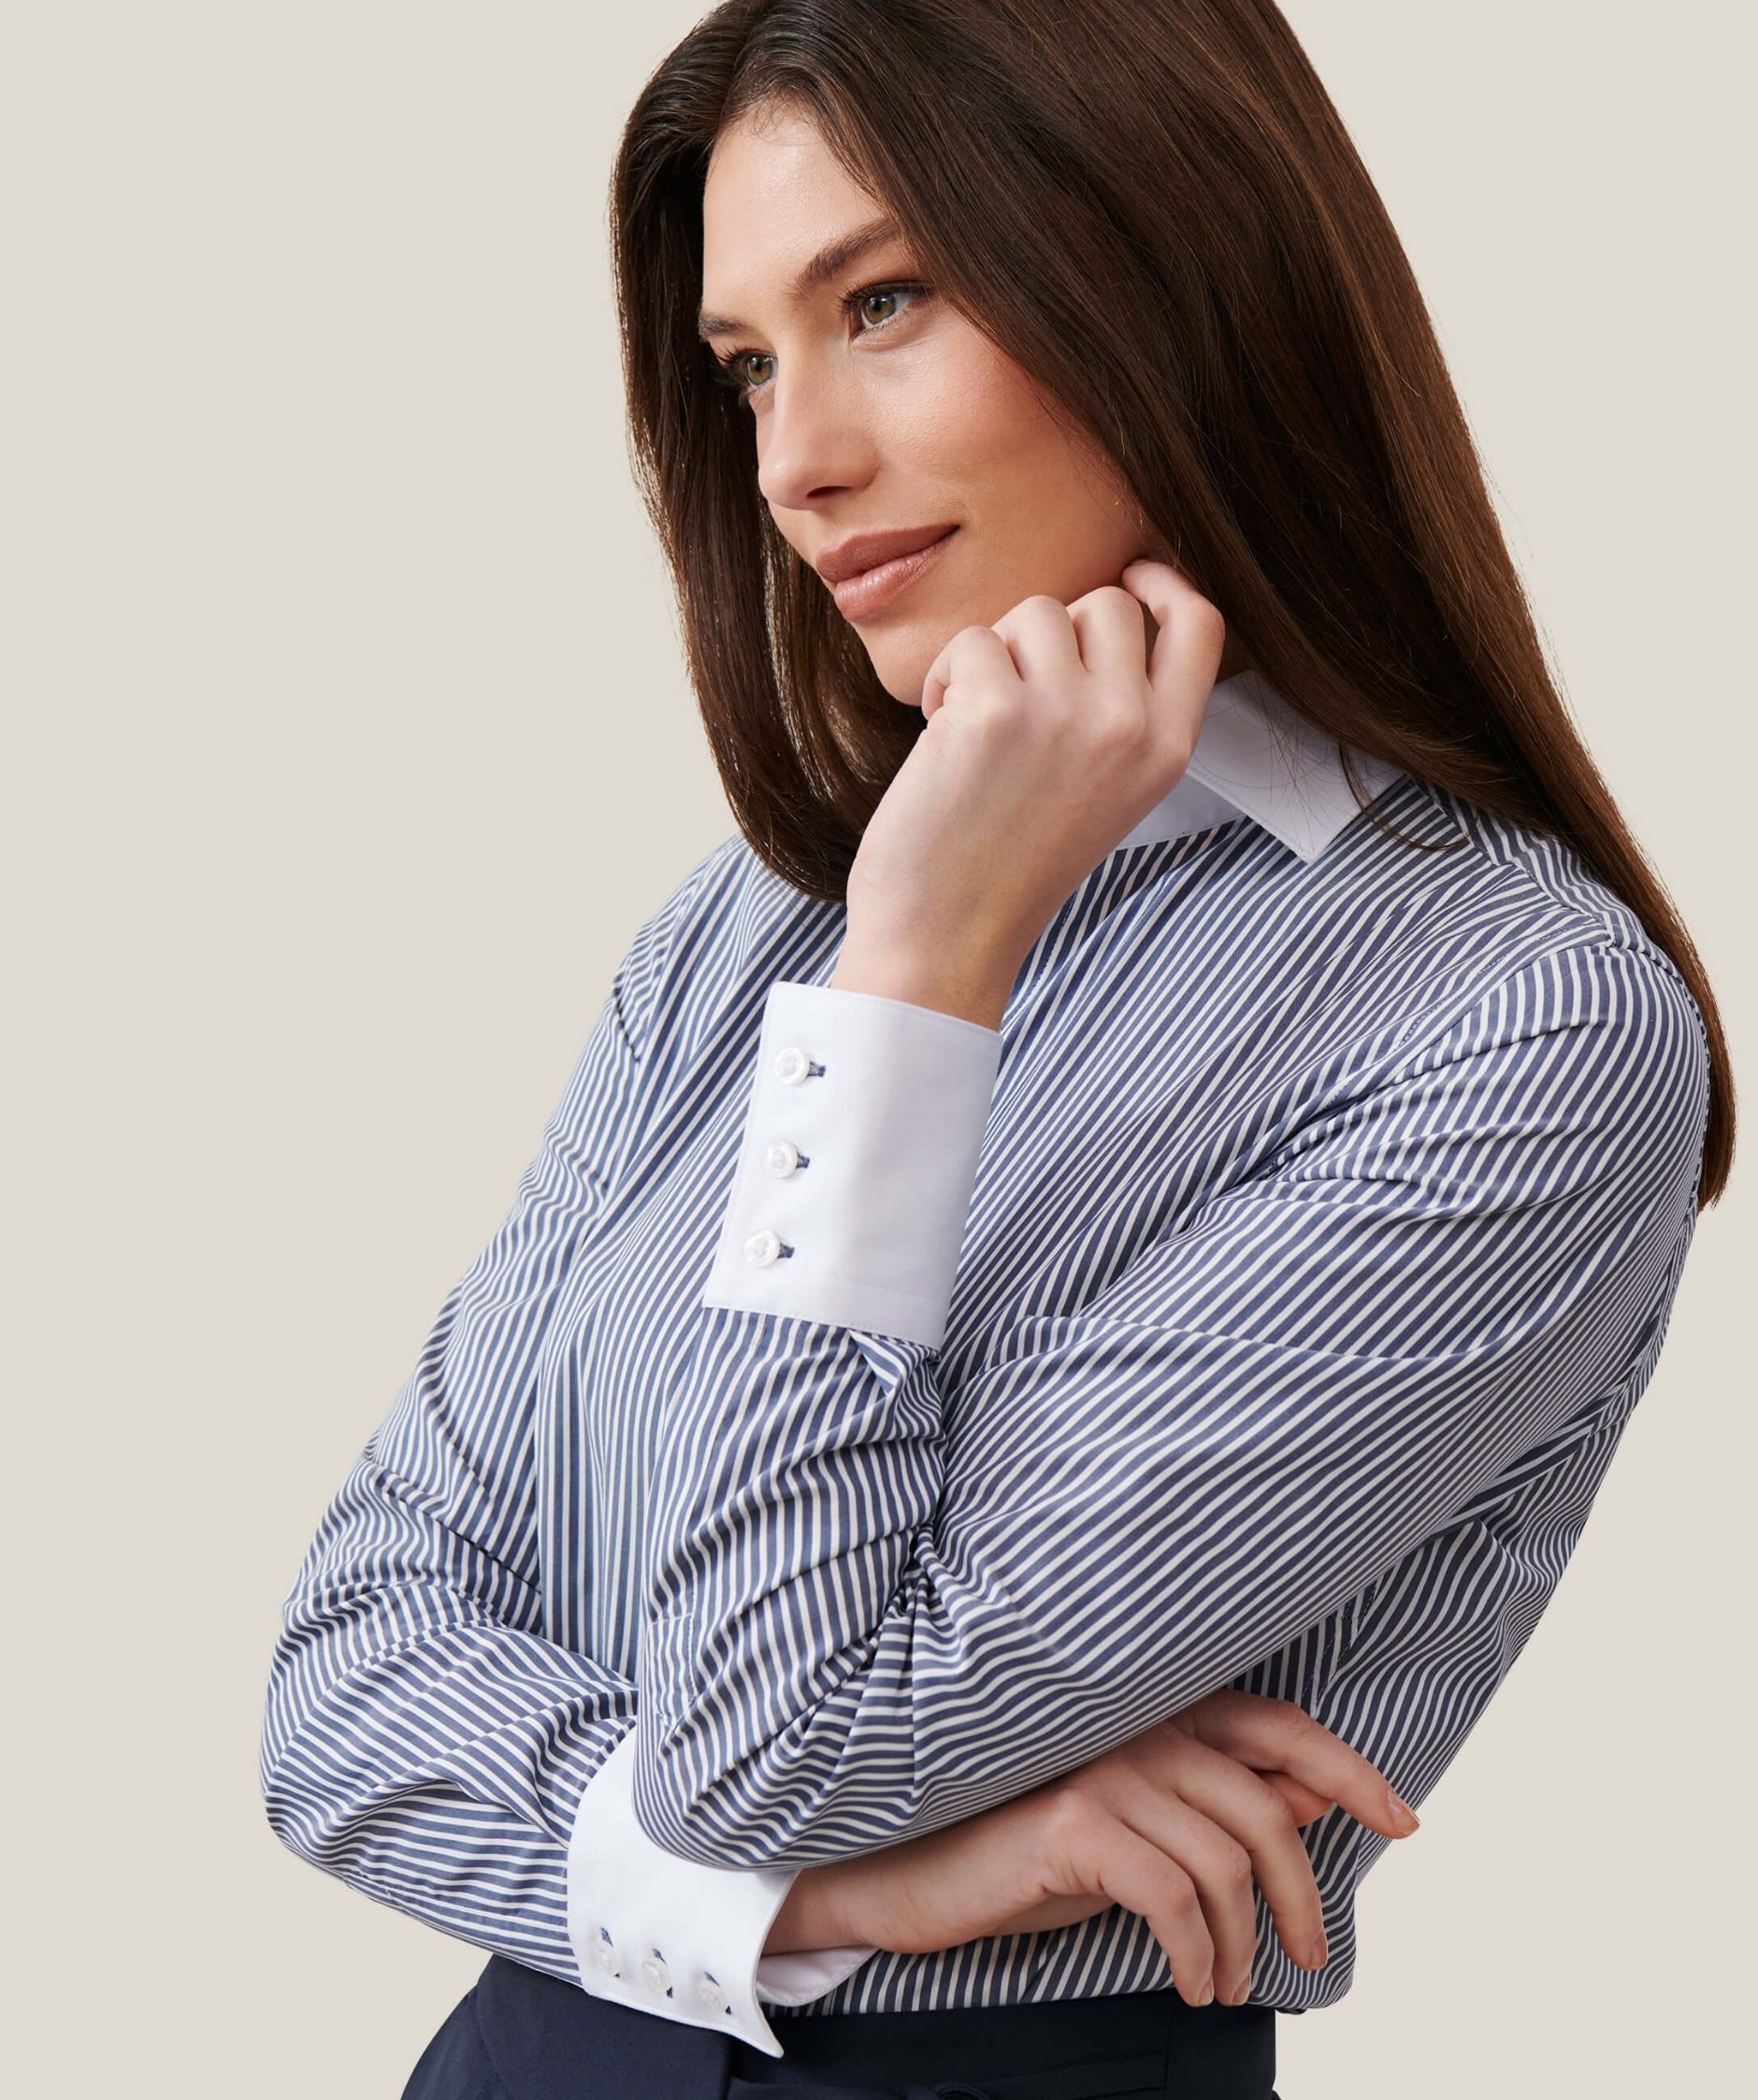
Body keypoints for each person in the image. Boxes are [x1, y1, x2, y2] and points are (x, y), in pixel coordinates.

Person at [259, 4, 1736, 2096]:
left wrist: (922, 984)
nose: (793, 459)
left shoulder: (1512, 1026)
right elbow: (342, 1682)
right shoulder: (763, 913)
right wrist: (833, 1893)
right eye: (748, 363)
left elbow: (776, 1733)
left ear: (1169, 270)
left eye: (884, 302)